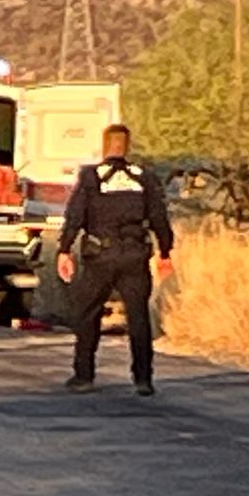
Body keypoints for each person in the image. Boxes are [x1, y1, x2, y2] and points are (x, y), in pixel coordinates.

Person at [55, 123, 174, 396]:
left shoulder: (91, 177)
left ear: (105, 145)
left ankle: (84, 376)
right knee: (138, 316)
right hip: (134, 256)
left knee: (88, 314)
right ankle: (143, 379)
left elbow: (75, 216)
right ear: (127, 146)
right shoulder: (143, 177)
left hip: (100, 256)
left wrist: (64, 249)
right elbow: (159, 217)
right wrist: (165, 252)